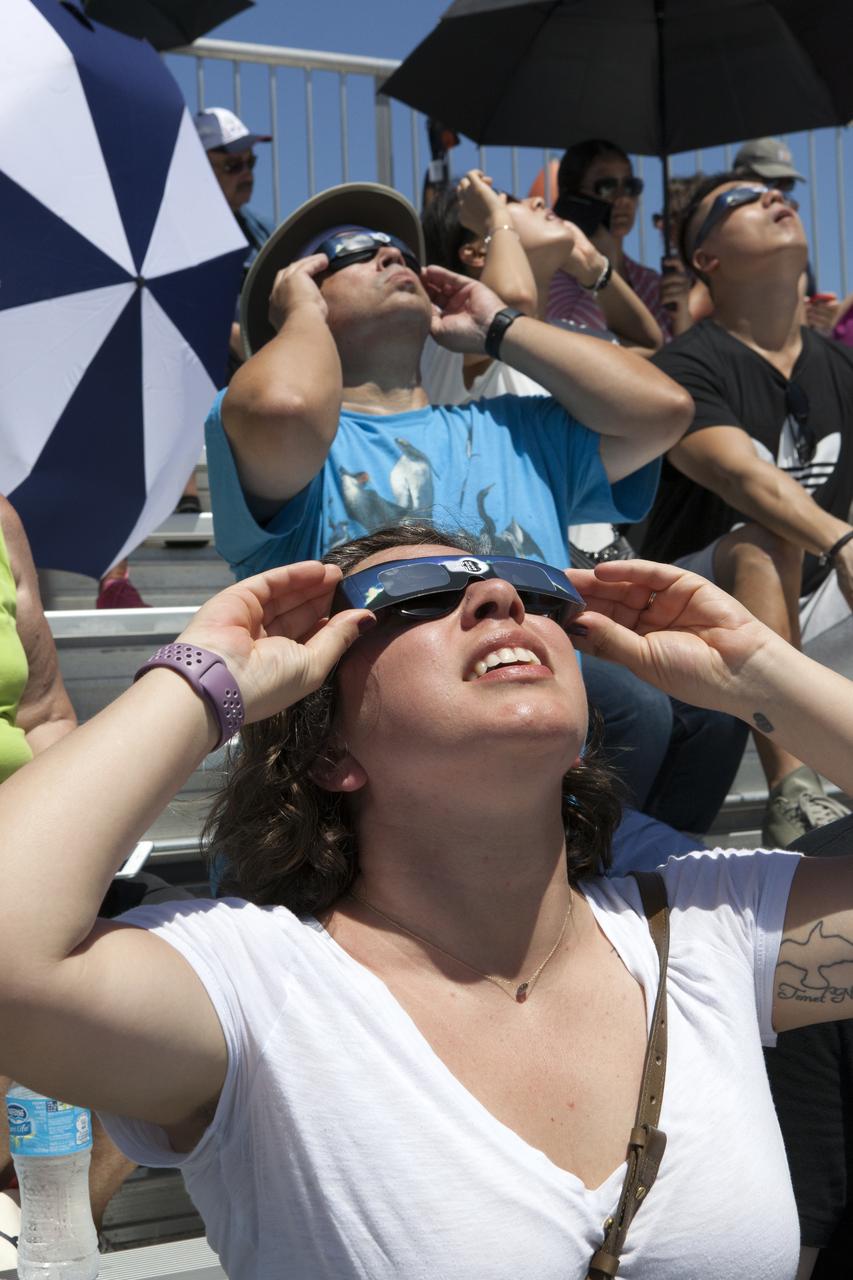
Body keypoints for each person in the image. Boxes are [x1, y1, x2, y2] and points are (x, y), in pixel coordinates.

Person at [6, 523, 853, 1277]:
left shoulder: (708, 928)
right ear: (328, 749)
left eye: (530, 590)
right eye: (412, 598)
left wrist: (760, 673)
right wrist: (201, 681)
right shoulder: (253, 985)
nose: (496, 597)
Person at [419, 171, 746, 839]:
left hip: (584, 578)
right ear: (474, 255)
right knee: (636, 710)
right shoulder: (455, 337)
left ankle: (654, 867)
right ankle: (583, 869)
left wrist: (597, 273)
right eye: (513, 204)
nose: (537, 202)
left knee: (716, 703)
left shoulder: (557, 338)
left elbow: (660, 369)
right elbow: (504, 305)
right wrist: (495, 218)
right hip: (511, 593)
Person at [206, 179, 690, 577]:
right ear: (302, 287)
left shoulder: (518, 432)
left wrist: (499, 327)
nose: (393, 256)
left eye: (402, 253)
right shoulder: (300, 444)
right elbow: (283, 407)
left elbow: (664, 412)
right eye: (351, 251)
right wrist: (299, 315)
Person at [639, 172, 853, 847]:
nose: (770, 199)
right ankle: (793, 794)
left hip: (815, 597)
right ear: (706, 260)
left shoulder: (841, 367)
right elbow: (738, 475)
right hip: (695, 603)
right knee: (766, 540)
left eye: (775, 193)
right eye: (739, 200)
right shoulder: (680, 366)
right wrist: (842, 544)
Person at [0, 496, 136, 1252]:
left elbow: (45, 712)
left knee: (177, 954)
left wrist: (89, 837)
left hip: (17, 851)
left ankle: (55, 1239)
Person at [544, 140, 693, 343]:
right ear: (574, 198)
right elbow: (577, 341)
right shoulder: (551, 277)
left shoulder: (651, 281)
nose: (623, 199)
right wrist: (604, 267)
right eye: (607, 187)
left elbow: (677, 361)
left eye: (631, 186)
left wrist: (682, 315)